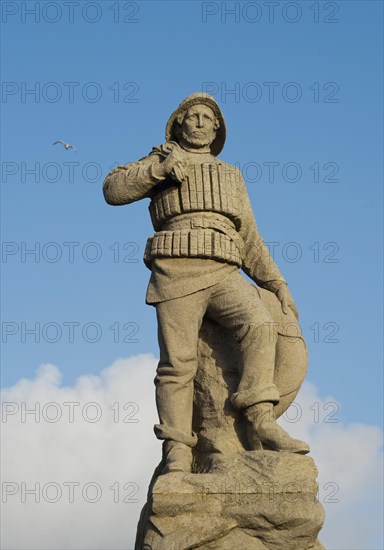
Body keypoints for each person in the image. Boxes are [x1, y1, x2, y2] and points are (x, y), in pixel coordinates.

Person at [103, 93, 309, 473]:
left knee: (260, 324)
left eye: (206, 117)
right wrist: (159, 170)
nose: (199, 122)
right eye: (191, 116)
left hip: (224, 270)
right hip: (175, 270)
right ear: (179, 124)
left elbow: (249, 237)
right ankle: (178, 450)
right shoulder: (161, 159)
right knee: (178, 364)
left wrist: (277, 283)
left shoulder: (230, 174)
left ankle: (261, 419)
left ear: (216, 128)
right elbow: (113, 190)